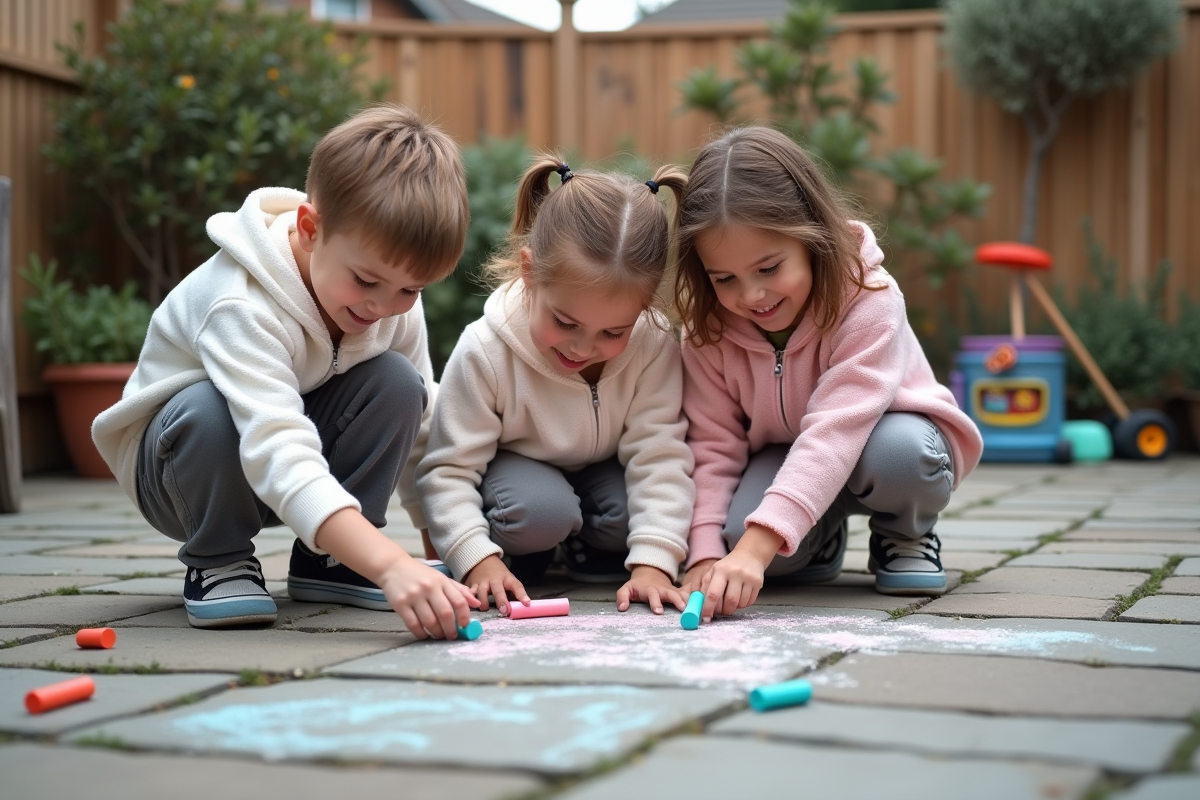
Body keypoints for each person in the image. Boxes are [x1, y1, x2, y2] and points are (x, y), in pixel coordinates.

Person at [92, 104, 480, 637]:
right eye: (366, 281)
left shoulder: (392, 304)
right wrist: (392, 565)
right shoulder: (242, 304)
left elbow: (420, 431)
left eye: (411, 289)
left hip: (287, 467)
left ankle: (336, 560)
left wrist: (438, 551)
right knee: (208, 408)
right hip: (180, 470)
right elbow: (276, 443)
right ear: (310, 228)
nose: (384, 306)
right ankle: (219, 558)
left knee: (399, 383)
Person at [673, 126, 983, 624]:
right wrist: (708, 552)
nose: (752, 296)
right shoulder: (708, 331)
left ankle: (905, 531)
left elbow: (838, 428)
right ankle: (818, 540)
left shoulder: (869, 298)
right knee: (743, 544)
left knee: (903, 457)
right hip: (785, 452)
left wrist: (756, 549)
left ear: (811, 237)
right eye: (724, 279)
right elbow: (712, 445)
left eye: (769, 268)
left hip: (883, 438)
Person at [416, 156, 695, 617]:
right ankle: (529, 550)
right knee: (539, 514)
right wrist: (475, 560)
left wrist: (654, 566)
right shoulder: (486, 350)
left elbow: (660, 455)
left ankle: (583, 546)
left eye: (613, 332)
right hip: (517, 480)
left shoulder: (651, 344)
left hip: (601, 471)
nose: (584, 348)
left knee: (632, 520)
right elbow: (447, 470)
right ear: (530, 274)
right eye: (566, 322)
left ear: (644, 308)